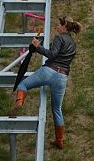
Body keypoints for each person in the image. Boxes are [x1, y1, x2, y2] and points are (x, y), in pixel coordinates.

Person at [10, 16, 81, 150]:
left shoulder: (59, 38)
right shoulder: (72, 43)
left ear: (64, 26)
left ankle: (19, 102)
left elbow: (52, 54)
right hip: (62, 77)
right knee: (56, 109)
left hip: (49, 71)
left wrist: (37, 47)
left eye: (58, 25)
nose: (56, 27)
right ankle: (59, 140)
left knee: (23, 85)